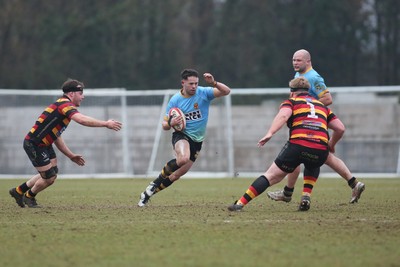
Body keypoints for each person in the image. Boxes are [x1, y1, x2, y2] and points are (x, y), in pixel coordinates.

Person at [228, 76, 345, 211]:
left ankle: (240, 203)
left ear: (292, 92)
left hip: (298, 145)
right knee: (313, 161)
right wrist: (331, 144)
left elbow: (283, 116)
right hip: (320, 148)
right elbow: (340, 128)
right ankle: (306, 196)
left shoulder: (292, 102)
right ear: (309, 91)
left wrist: (270, 133)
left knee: (271, 176)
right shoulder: (322, 107)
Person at [267, 49, 365, 204]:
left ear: (308, 61)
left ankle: (288, 193)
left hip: (311, 123)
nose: (295, 63)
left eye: (299, 60)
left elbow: (327, 98)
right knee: (321, 157)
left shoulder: (314, 77)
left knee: (306, 156)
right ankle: (353, 183)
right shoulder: (298, 76)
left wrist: (307, 108)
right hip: (305, 122)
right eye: (293, 60)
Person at [9, 79, 122, 208]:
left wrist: (70, 155)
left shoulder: (62, 106)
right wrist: (106, 123)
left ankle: (18, 191)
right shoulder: (65, 105)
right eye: (81, 93)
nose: (83, 97)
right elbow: (82, 120)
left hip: (44, 144)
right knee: (49, 177)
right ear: (72, 94)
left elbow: (57, 137)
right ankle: (29, 196)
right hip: (34, 144)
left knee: (52, 172)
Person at [137, 68, 231, 207]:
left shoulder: (204, 92)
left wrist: (214, 83)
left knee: (175, 176)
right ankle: (155, 183)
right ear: (183, 83)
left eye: (196, 83)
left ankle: (147, 194)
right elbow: (164, 125)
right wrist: (171, 122)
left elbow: (226, 91)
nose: (194, 86)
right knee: (183, 158)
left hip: (197, 141)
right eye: (191, 84)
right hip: (181, 136)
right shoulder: (175, 100)